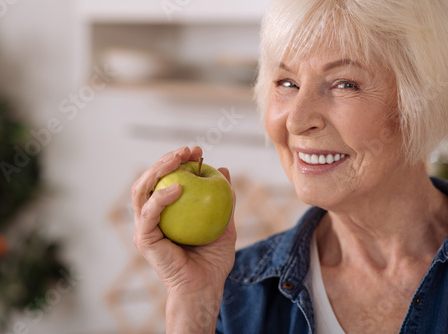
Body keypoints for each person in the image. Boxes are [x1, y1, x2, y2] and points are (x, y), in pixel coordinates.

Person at [131, 0, 448, 332]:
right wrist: (192, 302)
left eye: (345, 84)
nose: (297, 120)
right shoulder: (235, 290)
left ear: (421, 102)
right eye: (287, 83)